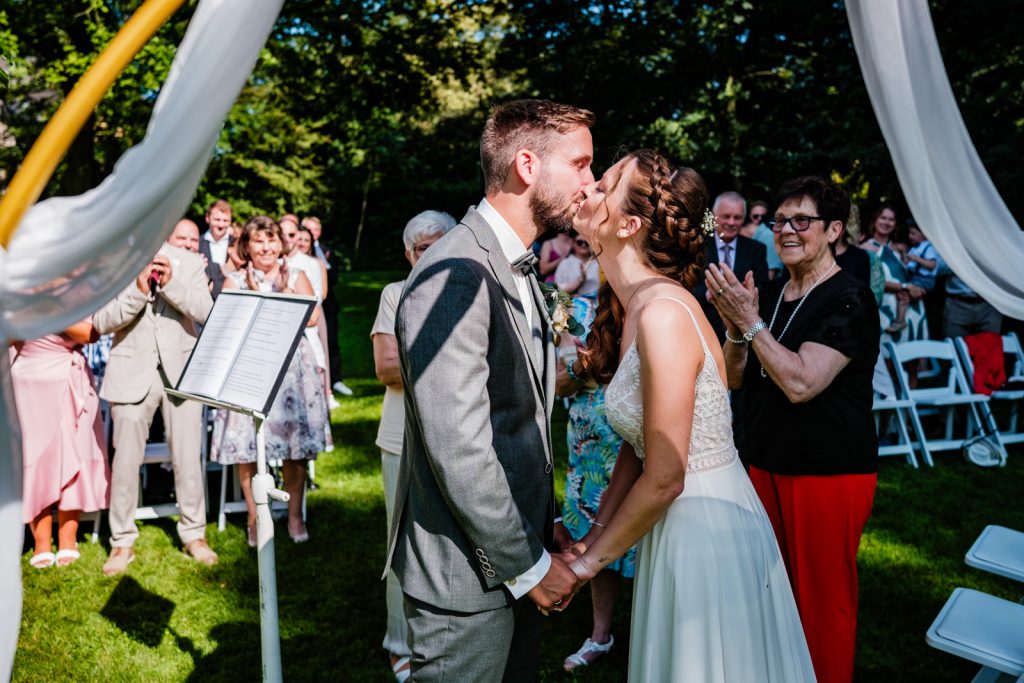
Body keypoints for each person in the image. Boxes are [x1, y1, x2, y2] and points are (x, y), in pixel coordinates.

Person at [560, 150, 814, 682]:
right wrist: (593, 535)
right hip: (671, 523)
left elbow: (668, 472)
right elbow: (641, 441)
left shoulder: (663, 314)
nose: (586, 190)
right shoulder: (638, 307)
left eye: (602, 185)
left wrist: (584, 567)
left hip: (703, 527)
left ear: (629, 225)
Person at [382, 99, 594, 681]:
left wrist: (541, 523)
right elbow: (460, 446)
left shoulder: (511, 264)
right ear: (528, 166)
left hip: (512, 549)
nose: (591, 183)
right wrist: (528, 566)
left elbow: (514, 419)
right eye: (580, 164)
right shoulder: (453, 273)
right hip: (466, 580)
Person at [708, 175, 880, 683]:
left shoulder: (849, 298)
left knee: (822, 604)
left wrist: (750, 321)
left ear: (832, 231)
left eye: (801, 221)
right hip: (764, 462)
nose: (786, 230)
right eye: (781, 220)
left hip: (826, 473)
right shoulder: (777, 292)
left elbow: (801, 382)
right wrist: (739, 329)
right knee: (769, 594)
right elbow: (735, 376)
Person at [93, 240, 217, 575]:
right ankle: (121, 540)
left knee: (188, 457)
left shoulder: (191, 262)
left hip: (181, 372)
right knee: (125, 461)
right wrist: (137, 291)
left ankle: (194, 534)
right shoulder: (114, 261)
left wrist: (172, 282)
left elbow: (207, 312)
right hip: (130, 373)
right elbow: (102, 320)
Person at [371, 210, 456, 683]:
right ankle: (399, 642)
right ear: (409, 255)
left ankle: (443, 634)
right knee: (402, 542)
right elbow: (386, 369)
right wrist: (455, 362)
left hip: (458, 437)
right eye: (422, 247)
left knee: (450, 542)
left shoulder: (464, 290)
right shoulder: (394, 295)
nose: (431, 253)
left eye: (440, 243)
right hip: (402, 437)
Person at [210, 216, 326, 545]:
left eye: (272, 239)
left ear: (281, 244)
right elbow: (226, 327)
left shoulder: (297, 275)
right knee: (247, 448)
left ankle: (294, 516)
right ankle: (253, 516)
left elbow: (313, 317)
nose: (266, 246)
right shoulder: (233, 280)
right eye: (259, 241)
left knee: (294, 448)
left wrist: (287, 288)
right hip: (250, 371)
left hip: (292, 371)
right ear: (246, 246)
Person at [552, 236, 632, 673]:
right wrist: (581, 366)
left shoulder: (648, 304)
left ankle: (652, 627)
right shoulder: (575, 312)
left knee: (648, 535)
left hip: (639, 440)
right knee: (597, 538)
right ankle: (601, 634)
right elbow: (559, 387)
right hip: (591, 449)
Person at [11, 320, 110, 569]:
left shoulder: (74, 288)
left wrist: (49, 310)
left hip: (69, 376)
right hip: (29, 381)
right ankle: (41, 541)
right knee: (35, 459)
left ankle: (68, 538)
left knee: (73, 454)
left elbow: (91, 333)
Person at [861, 205, 928, 341]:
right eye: (883, 218)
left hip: (911, 305)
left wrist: (917, 290)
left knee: (917, 349)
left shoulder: (901, 248)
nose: (887, 222)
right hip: (885, 309)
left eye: (891, 219)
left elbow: (915, 273)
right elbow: (869, 282)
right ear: (875, 220)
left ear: (895, 224)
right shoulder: (864, 249)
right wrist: (904, 287)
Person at [741, 199, 782, 279]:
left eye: (763, 216)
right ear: (749, 216)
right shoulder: (745, 231)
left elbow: (770, 276)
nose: (759, 218)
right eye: (755, 216)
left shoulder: (769, 236)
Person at [199, 199, 232, 298]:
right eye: (217, 220)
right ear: (207, 219)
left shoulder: (236, 244)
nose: (221, 225)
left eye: (225, 220)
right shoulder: (197, 243)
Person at [553, 231, 600, 297]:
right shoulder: (565, 263)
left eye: (586, 242)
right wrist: (580, 279)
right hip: (574, 304)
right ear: (573, 243)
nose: (583, 245)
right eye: (579, 242)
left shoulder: (599, 262)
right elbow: (559, 289)